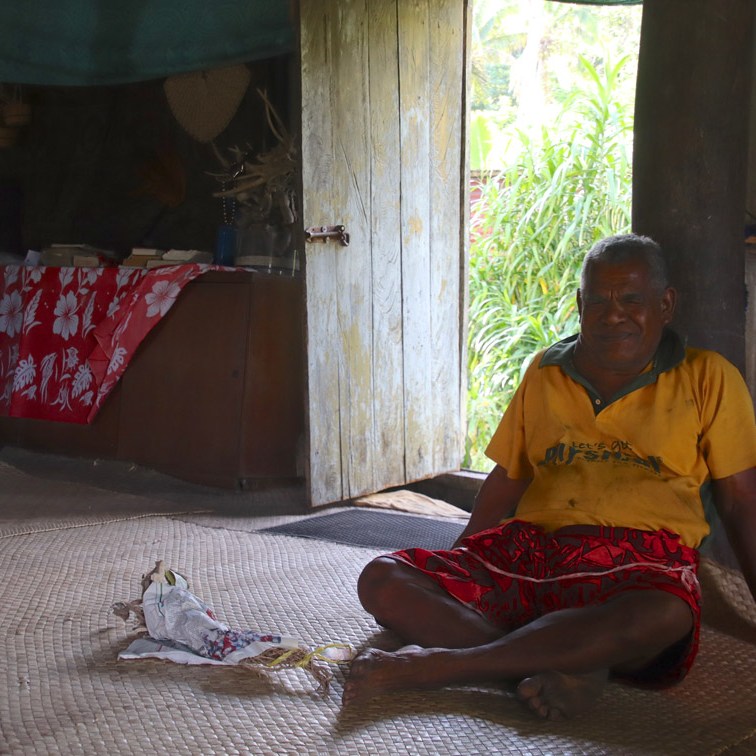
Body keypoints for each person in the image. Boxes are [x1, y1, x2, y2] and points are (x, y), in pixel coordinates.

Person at [342, 233, 756, 719]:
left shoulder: (708, 376)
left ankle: (443, 665)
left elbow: (741, 502)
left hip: (639, 565)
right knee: (383, 580)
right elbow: (507, 478)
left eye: (631, 300)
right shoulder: (545, 370)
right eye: (597, 301)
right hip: (531, 554)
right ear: (580, 305)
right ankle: (565, 664)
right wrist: (458, 562)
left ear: (665, 305)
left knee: (667, 614)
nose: (613, 314)